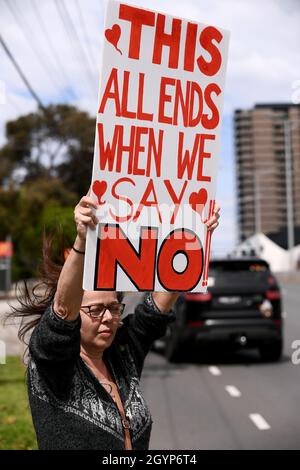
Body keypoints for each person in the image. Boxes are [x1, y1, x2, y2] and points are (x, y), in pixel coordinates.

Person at [13, 193, 220, 450]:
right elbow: (63, 312)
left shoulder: (123, 352)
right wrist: (82, 241)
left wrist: (194, 238)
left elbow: (154, 311)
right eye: (96, 310)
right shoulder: (53, 362)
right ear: (77, 313)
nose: (109, 317)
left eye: (114, 307)